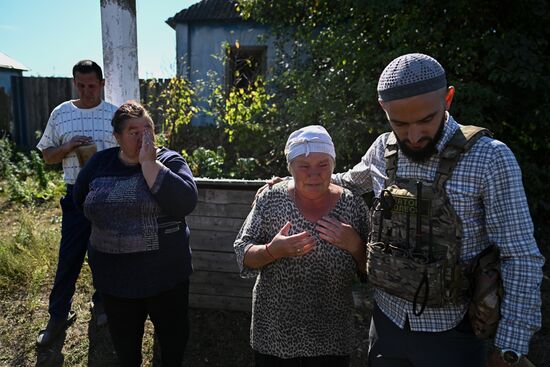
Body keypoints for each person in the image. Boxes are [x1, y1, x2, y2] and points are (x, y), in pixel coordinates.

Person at [331, 53, 544, 366]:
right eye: (400, 123)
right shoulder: (381, 149)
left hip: (453, 334)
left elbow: (520, 255)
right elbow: (347, 181)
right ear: (383, 109)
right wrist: (291, 182)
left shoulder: (490, 159)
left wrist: (509, 347)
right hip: (386, 323)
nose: (414, 136)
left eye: (426, 120)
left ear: (448, 98)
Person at [73, 101, 197, 367]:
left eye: (148, 128)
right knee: (126, 346)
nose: (144, 136)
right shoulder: (100, 163)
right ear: (117, 137)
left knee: (173, 341)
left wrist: (149, 165)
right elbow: (79, 199)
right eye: (133, 131)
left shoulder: (170, 161)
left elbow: (185, 202)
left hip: (166, 277)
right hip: (115, 279)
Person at [234, 125, 369, 367]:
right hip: (275, 336)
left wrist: (355, 245)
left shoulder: (353, 206)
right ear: (290, 168)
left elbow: (372, 270)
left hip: (332, 337)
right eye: (304, 166)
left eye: (322, 165)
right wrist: (272, 251)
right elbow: (242, 253)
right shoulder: (271, 198)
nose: (314, 174)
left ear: (333, 165)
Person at [36, 60, 118, 346]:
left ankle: (103, 304)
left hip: (108, 195)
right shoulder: (61, 113)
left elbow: (125, 155)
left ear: (102, 84)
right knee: (68, 258)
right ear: (75, 83)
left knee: (105, 256)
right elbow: (47, 156)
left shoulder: (113, 114)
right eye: (81, 85)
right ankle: (58, 315)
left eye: (92, 86)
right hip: (75, 196)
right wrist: (68, 147)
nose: (86, 91)